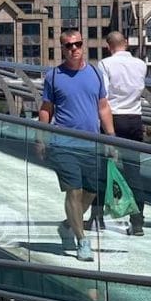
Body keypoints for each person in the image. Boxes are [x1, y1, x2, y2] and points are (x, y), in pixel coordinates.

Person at [37, 28, 116, 262]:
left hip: (91, 143)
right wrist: (42, 138)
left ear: (83, 45)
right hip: (63, 143)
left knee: (91, 192)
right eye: (68, 45)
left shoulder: (94, 72)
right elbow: (46, 109)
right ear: (61, 48)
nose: (74, 49)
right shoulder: (53, 76)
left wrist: (111, 137)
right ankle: (82, 241)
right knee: (75, 190)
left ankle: (68, 224)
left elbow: (103, 106)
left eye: (77, 44)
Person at [99, 31, 148, 235]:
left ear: (108, 46)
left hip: (113, 118)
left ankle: (97, 216)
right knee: (133, 171)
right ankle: (137, 220)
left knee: (104, 168)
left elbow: (103, 94)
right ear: (126, 43)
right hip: (135, 119)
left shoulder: (105, 64)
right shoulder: (141, 64)